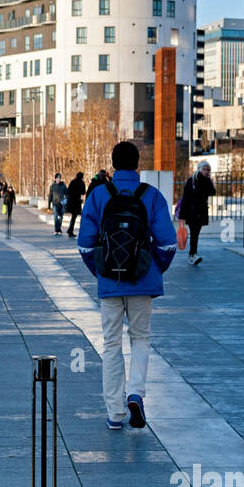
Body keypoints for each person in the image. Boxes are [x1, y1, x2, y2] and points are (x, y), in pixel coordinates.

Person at [78, 141, 177, 430]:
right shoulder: (152, 195)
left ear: (112, 163)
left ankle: (114, 413)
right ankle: (135, 392)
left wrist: (101, 271)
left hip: (110, 282)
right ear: (138, 163)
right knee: (141, 340)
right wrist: (152, 268)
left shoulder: (98, 195)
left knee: (110, 345)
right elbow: (168, 243)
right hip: (142, 282)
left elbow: (85, 245)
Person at [178, 160, 215, 266]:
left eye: (208, 169)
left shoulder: (207, 181)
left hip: (201, 212)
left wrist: (209, 180)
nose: (206, 171)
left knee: (196, 234)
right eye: (204, 169)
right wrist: (182, 215)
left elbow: (212, 192)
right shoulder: (192, 180)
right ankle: (193, 254)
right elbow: (185, 198)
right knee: (194, 233)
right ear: (199, 169)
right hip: (191, 212)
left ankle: (192, 254)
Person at [66, 171, 86, 238]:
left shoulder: (72, 182)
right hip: (77, 202)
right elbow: (83, 192)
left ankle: (70, 230)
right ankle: (73, 230)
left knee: (73, 217)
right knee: (79, 217)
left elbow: (68, 191)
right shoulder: (81, 183)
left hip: (72, 202)